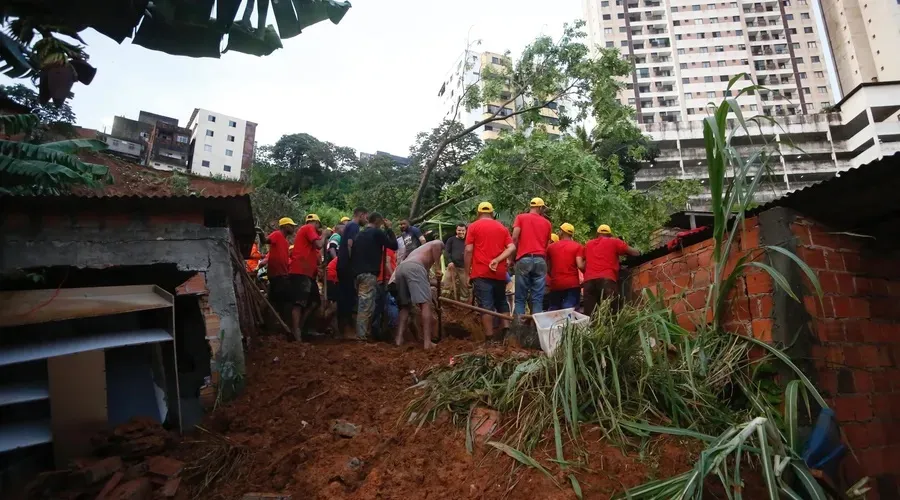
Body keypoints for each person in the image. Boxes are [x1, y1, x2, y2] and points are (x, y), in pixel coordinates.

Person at [465, 202, 516, 340]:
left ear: (478, 213)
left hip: (481, 272)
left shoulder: (473, 226)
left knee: (485, 305)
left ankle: (489, 338)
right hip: (499, 273)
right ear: (492, 213)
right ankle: (506, 331)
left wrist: (467, 273)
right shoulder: (502, 228)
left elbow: (469, 250)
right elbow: (511, 248)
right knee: (502, 301)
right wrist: (498, 259)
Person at [351, 213, 398, 340]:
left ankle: (365, 333)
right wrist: (389, 229)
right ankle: (361, 336)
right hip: (369, 273)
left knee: (368, 304)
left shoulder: (360, 234)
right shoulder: (377, 233)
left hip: (357, 273)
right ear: (377, 221)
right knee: (366, 304)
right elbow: (394, 245)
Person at [394, 240, 444, 349]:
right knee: (425, 304)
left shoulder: (419, 252)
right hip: (414, 268)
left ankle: (399, 339)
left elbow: (424, 280)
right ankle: (427, 342)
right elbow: (437, 244)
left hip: (401, 269)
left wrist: (436, 305)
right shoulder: (438, 243)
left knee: (405, 306)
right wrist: (438, 268)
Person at [582, 224, 640, 317]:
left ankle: (590, 331)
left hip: (589, 282)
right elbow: (635, 253)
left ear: (597, 234)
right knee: (611, 314)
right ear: (610, 235)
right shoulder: (614, 242)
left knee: (590, 315)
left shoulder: (588, 244)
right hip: (607, 281)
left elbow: (583, 264)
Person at [289, 214, 331, 340]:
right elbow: (319, 244)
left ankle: (301, 328)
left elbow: (317, 250)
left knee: (314, 302)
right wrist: (324, 234)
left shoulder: (308, 236)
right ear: (316, 223)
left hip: (308, 273)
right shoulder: (308, 228)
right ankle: (296, 331)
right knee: (299, 302)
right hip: (300, 271)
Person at [512, 197, 552, 316]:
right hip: (540, 260)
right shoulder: (547, 223)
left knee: (520, 299)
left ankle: (518, 330)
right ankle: (536, 330)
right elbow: (547, 245)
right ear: (540, 207)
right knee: (537, 299)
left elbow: (514, 238)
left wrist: (511, 258)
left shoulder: (520, 218)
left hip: (524, 259)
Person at [256, 217, 297, 324]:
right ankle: (283, 324)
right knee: (285, 301)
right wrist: (260, 233)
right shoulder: (277, 234)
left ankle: (268, 323)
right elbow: (265, 241)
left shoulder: (285, 241)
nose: (293, 228)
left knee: (274, 299)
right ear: (284, 226)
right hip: (278, 275)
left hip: (281, 274)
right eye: (291, 226)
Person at [337, 207, 368, 337]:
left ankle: (343, 329)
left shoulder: (349, 225)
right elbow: (350, 245)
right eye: (365, 217)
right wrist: (353, 263)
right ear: (360, 215)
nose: (366, 220)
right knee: (347, 298)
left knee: (345, 296)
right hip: (346, 266)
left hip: (342, 265)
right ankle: (346, 330)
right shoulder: (354, 226)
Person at [546, 223, 585, 311]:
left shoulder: (551, 248)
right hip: (572, 284)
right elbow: (580, 265)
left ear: (562, 232)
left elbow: (548, 268)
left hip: (555, 283)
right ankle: (568, 325)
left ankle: (554, 325)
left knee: (554, 309)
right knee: (569, 309)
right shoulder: (578, 246)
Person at [372, 246, 397, 342]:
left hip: (379, 279)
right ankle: (392, 328)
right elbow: (387, 262)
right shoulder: (388, 249)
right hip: (387, 279)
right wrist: (393, 277)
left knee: (378, 305)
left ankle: (376, 329)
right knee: (391, 303)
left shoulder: (378, 249)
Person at [444, 223, 469, 301]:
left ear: (465, 231)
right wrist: (450, 262)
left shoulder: (468, 240)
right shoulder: (451, 240)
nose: (461, 232)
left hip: (464, 268)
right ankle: (445, 300)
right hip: (452, 266)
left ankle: (463, 303)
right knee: (447, 282)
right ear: (456, 230)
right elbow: (446, 252)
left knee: (465, 285)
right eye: (459, 230)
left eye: (462, 230)